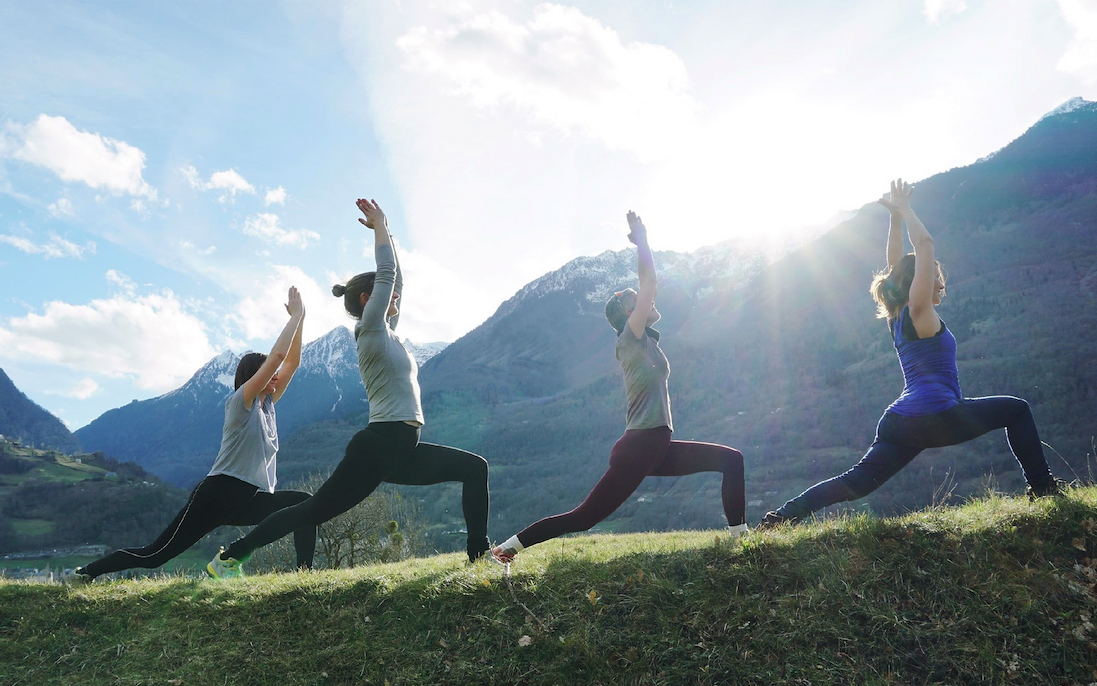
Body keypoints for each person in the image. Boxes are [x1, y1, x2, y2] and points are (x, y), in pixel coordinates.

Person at [759, 179, 1065, 528]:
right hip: (935, 415)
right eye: (934, 276)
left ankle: (781, 517)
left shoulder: (898, 314)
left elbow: (894, 267)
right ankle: (1044, 489)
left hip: (900, 422)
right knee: (1017, 409)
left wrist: (894, 221)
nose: (940, 282)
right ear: (917, 282)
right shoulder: (920, 312)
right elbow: (925, 245)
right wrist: (906, 210)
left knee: (857, 483)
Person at [209, 198, 490, 578]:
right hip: (380, 445)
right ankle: (229, 559)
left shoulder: (388, 333)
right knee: (312, 511)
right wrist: (378, 229)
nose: (394, 298)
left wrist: (387, 226)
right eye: (385, 294)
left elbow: (397, 280)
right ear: (366, 300)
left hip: (402, 446)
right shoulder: (371, 331)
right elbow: (388, 272)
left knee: (475, 469)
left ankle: (479, 557)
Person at [491, 211, 747, 564]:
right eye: (636, 301)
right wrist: (641, 240)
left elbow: (647, 292)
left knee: (731, 460)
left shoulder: (647, 344)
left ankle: (741, 539)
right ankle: (507, 549)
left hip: (656, 444)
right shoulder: (630, 339)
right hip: (640, 447)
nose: (647, 302)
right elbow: (650, 283)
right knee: (584, 518)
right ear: (629, 315)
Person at [71, 288, 314, 583]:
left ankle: (304, 575)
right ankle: (86, 573)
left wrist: (301, 320)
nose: (276, 376)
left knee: (305, 505)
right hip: (217, 494)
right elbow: (278, 357)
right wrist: (296, 315)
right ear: (255, 376)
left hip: (250, 496)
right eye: (269, 373)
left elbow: (292, 363)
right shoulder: (241, 403)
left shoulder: (267, 407)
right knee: (154, 556)